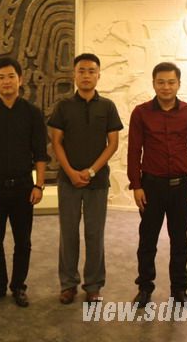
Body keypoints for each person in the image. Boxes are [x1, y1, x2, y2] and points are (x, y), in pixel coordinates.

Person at [0, 57, 48, 308]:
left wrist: (39, 185)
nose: (6, 81)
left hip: (24, 187)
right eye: (1, 77)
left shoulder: (32, 113)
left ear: (20, 79)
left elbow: (40, 153)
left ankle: (18, 286)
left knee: (22, 241)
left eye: (11, 76)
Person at [127, 62, 187, 309]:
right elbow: (134, 151)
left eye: (171, 82)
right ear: (153, 83)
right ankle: (144, 288)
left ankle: (179, 290)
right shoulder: (141, 113)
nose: (166, 87)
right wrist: (136, 185)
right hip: (151, 187)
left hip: (181, 187)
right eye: (161, 82)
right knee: (147, 240)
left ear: (179, 84)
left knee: (179, 241)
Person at [48, 53, 123, 304]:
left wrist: (91, 171)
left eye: (91, 71)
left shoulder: (107, 107)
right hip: (68, 181)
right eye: (81, 71)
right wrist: (71, 172)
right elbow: (56, 142)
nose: (86, 75)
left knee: (95, 234)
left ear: (99, 75)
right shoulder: (63, 106)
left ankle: (93, 285)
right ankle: (68, 284)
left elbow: (113, 144)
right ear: (74, 75)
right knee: (68, 233)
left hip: (97, 182)